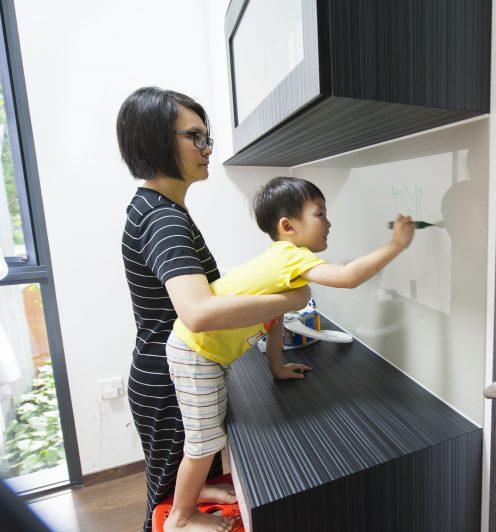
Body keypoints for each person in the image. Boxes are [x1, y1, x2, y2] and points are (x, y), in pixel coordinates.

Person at [164, 176, 415, 530]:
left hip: (203, 352)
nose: (329, 223)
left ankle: (196, 490)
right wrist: (396, 244)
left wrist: (277, 366)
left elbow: (274, 321)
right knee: (205, 441)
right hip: (196, 353)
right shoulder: (291, 257)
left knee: (207, 436)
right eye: (321, 214)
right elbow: (347, 277)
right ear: (288, 226)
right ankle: (181, 516)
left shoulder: (281, 261)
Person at [118, 88, 312, 532]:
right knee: (165, 505)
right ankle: (183, 520)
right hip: (171, 378)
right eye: (196, 137)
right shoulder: (163, 218)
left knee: (184, 466)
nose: (207, 149)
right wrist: (291, 299)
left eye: (208, 138)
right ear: (155, 140)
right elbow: (199, 312)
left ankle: (197, 493)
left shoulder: (157, 208)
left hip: (168, 368)